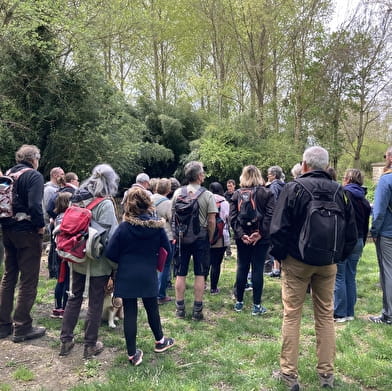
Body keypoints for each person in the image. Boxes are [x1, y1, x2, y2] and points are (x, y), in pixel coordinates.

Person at [270, 146, 357, 390]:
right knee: (325, 315)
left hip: (297, 262)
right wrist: (337, 256)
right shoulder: (341, 191)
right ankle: (326, 375)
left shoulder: (294, 188)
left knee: (292, 314)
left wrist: (281, 257)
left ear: (305, 165)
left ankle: (289, 374)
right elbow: (352, 232)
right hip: (328, 263)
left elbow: (278, 229)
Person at [105, 187, 174, 366]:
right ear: (148, 203)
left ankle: (132, 354)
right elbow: (168, 250)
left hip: (127, 274)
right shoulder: (157, 227)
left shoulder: (124, 228)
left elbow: (110, 252)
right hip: (148, 273)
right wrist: (158, 262)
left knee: (130, 313)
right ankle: (160, 341)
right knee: (152, 309)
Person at [59, 164, 119, 359]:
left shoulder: (76, 198)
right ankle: (90, 345)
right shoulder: (105, 203)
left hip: (76, 257)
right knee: (94, 302)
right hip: (98, 261)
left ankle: (66, 341)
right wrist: (116, 265)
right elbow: (111, 238)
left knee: (74, 296)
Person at [0, 144, 46, 342]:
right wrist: (40, 226)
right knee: (28, 279)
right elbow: (36, 205)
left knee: (9, 276)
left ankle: (3, 325)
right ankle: (22, 327)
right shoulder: (34, 176)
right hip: (27, 231)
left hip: (7, 230)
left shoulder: (8, 174)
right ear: (34, 159)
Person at [171, 161, 217, 321]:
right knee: (199, 273)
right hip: (201, 238)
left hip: (182, 238)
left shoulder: (177, 193)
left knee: (180, 273)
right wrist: (210, 238)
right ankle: (197, 310)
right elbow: (212, 221)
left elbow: (172, 217)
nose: (204, 175)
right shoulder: (207, 195)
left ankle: (180, 309)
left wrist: (176, 235)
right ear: (198, 176)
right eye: (203, 172)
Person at [230, 165, 275, 315]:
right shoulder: (267, 193)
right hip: (260, 239)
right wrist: (260, 233)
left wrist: (241, 234)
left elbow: (232, 217)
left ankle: (239, 303)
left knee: (242, 267)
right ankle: (256, 306)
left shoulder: (236, 194)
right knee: (257, 269)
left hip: (242, 238)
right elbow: (270, 216)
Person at [334, 169, 371, 322]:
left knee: (339, 276)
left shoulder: (343, 195)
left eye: (344, 177)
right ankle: (350, 312)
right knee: (351, 276)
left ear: (348, 179)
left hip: (345, 240)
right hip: (359, 240)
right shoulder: (363, 198)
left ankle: (340, 313)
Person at [369, 146, 392, 325]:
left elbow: (379, 211)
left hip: (388, 234)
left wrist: (374, 231)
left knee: (388, 273)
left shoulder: (386, 180)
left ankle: (388, 315)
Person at [151, 178, 174, 304]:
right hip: (166, 236)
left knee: (152, 264)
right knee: (165, 265)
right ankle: (160, 295)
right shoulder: (168, 203)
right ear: (168, 190)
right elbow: (172, 220)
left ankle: (150, 291)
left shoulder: (149, 199)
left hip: (150, 235)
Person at [51, 192, 73, 319]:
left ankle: (57, 307)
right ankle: (65, 308)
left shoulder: (58, 216)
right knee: (68, 280)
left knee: (60, 279)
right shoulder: (69, 216)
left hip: (58, 250)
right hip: (68, 250)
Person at [207, 182, 230, 294]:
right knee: (216, 263)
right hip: (221, 236)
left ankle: (202, 284)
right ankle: (213, 288)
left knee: (206, 261)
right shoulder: (225, 203)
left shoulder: (206, 200)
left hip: (206, 235)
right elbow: (227, 218)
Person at [44, 166, 65, 278]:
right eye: (62, 174)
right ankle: (53, 272)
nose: (63, 176)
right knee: (53, 246)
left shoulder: (56, 188)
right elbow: (48, 207)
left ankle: (54, 271)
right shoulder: (49, 189)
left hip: (55, 221)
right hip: (51, 222)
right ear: (55, 175)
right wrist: (51, 220)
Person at [266, 166, 285, 278]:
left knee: (273, 244)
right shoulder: (284, 185)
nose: (267, 176)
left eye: (269, 174)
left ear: (274, 175)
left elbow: (273, 203)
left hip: (275, 219)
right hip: (283, 218)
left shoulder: (273, 186)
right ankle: (278, 268)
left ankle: (276, 269)